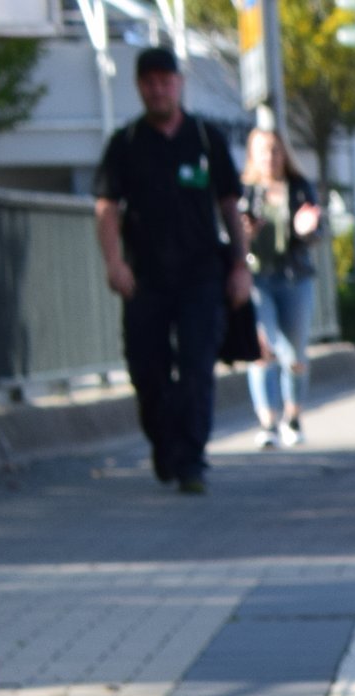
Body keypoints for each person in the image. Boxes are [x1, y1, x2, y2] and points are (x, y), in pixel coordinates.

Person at [92, 46, 246, 494]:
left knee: (197, 366)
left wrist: (239, 266)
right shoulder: (125, 145)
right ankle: (165, 444)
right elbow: (106, 208)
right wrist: (114, 262)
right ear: (140, 87)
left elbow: (230, 206)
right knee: (148, 370)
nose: (159, 89)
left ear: (179, 84)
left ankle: (192, 460)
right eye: (150, 82)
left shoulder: (204, 138)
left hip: (201, 275)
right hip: (146, 278)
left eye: (166, 80)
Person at [239, 124, 323, 449]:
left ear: (284, 153)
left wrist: (308, 228)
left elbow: (317, 230)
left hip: (294, 278)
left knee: (296, 353)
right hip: (258, 278)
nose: (270, 157)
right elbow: (230, 235)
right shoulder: (245, 191)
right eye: (263, 151)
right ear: (253, 156)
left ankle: (293, 417)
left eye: (275, 150)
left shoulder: (300, 187)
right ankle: (268, 423)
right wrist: (242, 234)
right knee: (261, 349)